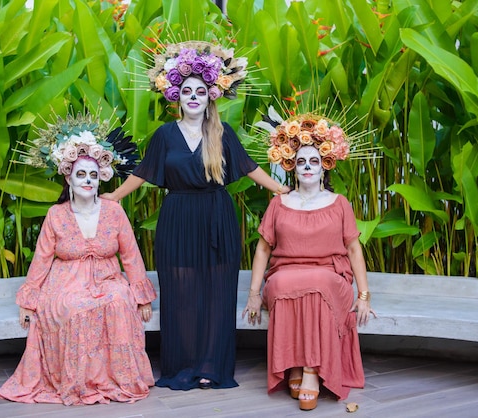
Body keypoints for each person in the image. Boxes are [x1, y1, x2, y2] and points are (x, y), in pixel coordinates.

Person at [101, 41, 289, 390]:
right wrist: (113, 194)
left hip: (216, 219)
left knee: (216, 293)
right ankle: (182, 366)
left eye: (199, 91)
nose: (192, 97)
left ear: (209, 96)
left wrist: (280, 190)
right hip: (177, 219)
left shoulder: (221, 133)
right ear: (176, 96)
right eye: (186, 91)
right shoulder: (164, 136)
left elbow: (248, 168)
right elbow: (143, 173)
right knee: (182, 294)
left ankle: (211, 366)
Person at [0, 113, 157, 405]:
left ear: (100, 178)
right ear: (68, 177)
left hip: (107, 277)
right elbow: (41, 260)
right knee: (74, 308)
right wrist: (28, 302)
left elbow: (131, 255)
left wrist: (141, 296)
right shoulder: (57, 215)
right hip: (66, 281)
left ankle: (116, 378)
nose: (88, 181)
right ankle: (78, 381)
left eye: (93, 175)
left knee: (119, 302)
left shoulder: (114, 212)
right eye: (81, 174)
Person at [243, 110, 376, 410]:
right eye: (301, 161)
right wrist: (253, 295)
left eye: (314, 161)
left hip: (331, 276)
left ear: (324, 166)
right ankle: (292, 364)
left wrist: (364, 295)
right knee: (286, 282)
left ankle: (311, 372)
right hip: (284, 274)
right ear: (293, 166)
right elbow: (263, 250)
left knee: (316, 284)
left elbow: (354, 250)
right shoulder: (279, 203)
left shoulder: (339, 203)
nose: (307, 167)